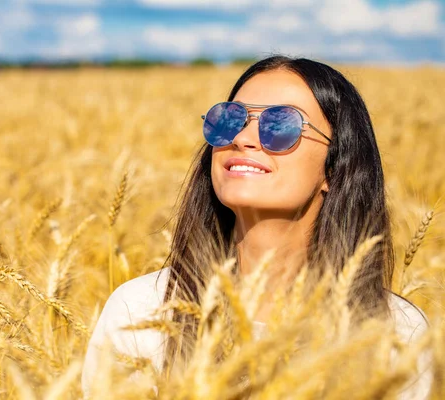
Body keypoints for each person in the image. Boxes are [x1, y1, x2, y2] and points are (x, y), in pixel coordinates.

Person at [81, 55, 431, 399]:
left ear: (335, 167)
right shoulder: (142, 310)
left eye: (281, 124)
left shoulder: (396, 333)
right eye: (229, 121)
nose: (243, 138)